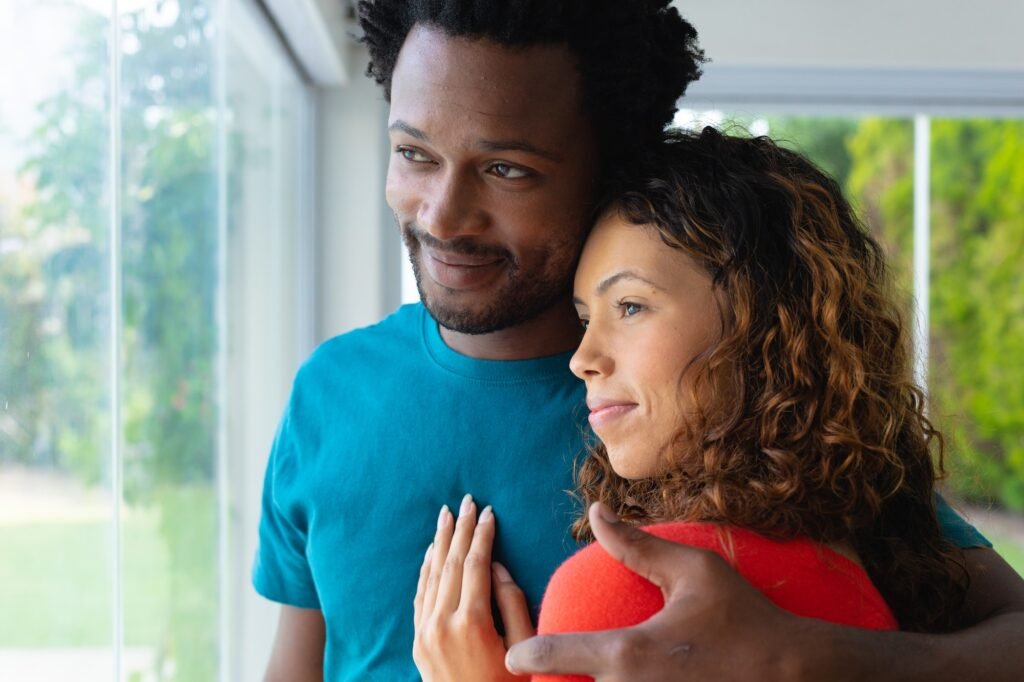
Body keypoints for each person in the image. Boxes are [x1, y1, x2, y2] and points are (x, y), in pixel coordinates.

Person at [254, 1, 1024, 680]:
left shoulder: (727, 412)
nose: (445, 215)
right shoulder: (327, 394)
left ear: (611, 168)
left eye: (505, 168)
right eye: (414, 154)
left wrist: (814, 661)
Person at [410, 128, 971, 682]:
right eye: (585, 320)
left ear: (761, 329)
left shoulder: (623, 596)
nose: (583, 357)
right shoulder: (863, 567)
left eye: (630, 306)